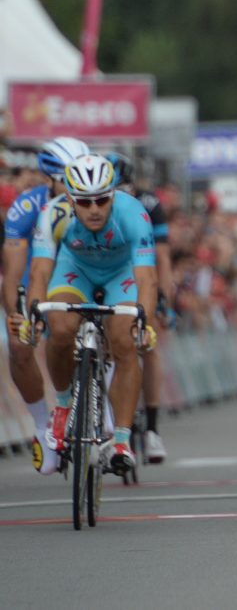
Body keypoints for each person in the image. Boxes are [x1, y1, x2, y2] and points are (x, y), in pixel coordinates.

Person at [27, 154, 159, 476]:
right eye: (85, 203)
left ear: (113, 194)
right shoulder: (52, 214)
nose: (95, 209)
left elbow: (147, 279)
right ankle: (61, 407)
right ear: (70, 199)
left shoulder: (134, 214)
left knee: (124, 342)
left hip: (121, 275)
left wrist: (145, 321)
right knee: (59, 328)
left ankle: (122, 441)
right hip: (75, 272)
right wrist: (34, 311)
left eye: (102, 200)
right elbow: (40, 274)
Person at [1, 136, 88, 473]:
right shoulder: (27, 207)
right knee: (20, 344)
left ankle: (103, 400)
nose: (75, 186)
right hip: (35, 275)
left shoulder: (96, 204)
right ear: (50, 179)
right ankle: (42, 427)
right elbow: (13, 273)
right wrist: (15, 312)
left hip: (79, 275)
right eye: (67, 179)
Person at [106, 152, 175, 463]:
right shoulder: (88, 204)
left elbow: (161, 256)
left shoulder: (148, 203)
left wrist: (165, 301)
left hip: (139, 273)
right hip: (101, 274)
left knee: (149, 345)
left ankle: (153, 430)